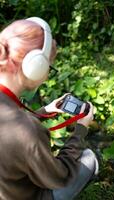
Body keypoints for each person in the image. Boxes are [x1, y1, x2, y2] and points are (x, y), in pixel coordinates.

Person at [0, 17, 99, 200]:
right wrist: (80, 130)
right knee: (89, 158)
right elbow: (58, 177)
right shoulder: (28, 131)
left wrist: (45, 111)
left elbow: (9, 130)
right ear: (35, 66)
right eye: (49, 66)